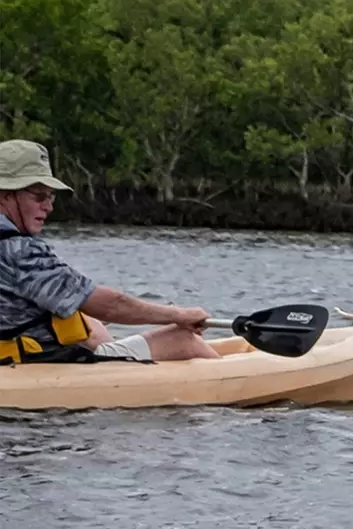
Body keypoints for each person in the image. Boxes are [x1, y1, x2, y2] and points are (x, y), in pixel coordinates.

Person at [0, 138, 219, 365]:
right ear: (6, 195)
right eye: (39, 197)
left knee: (89, 322)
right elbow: (112, 305)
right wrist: (179, 315)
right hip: (36, 363)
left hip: (18, 353)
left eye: (50, 196)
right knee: (183, 339)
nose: (49, 206)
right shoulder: (19, 251)